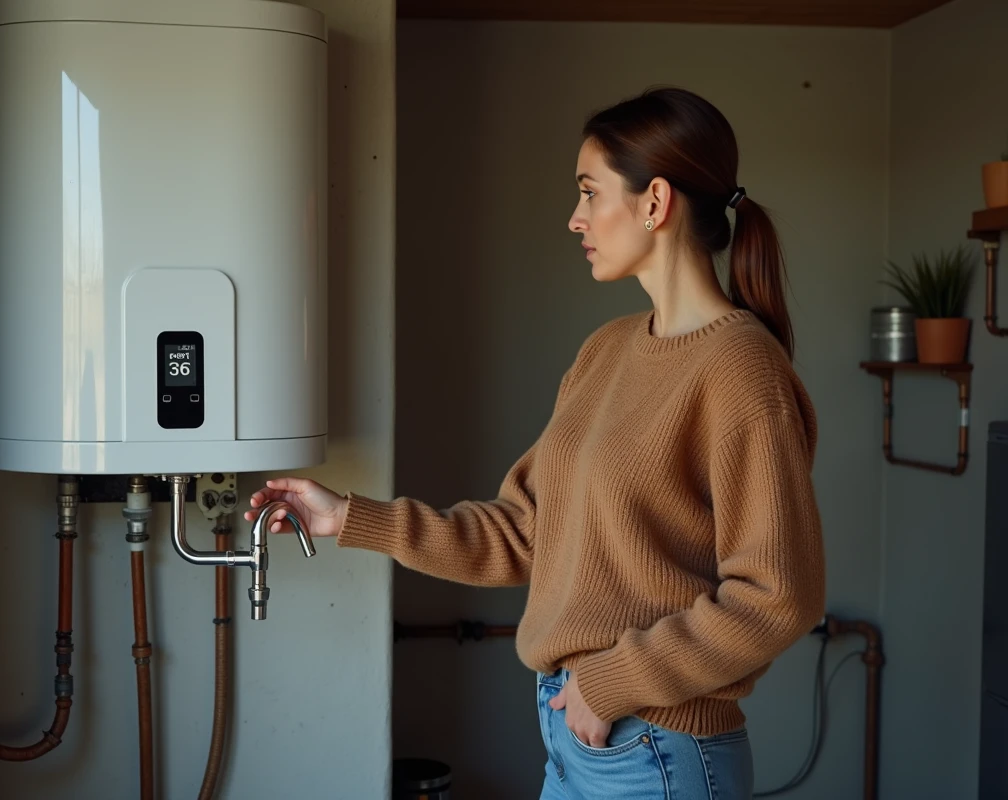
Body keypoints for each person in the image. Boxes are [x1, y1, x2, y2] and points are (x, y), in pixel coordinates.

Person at [245, 86, 825, 800]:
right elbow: (523, 533)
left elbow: (777, 595)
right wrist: (349, 518)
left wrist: (611, 682)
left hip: (657, 752)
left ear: (655, 202)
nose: (575, 217)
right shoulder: (606, 350)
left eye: (590, 192)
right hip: (577, 740)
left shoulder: (741, 367)